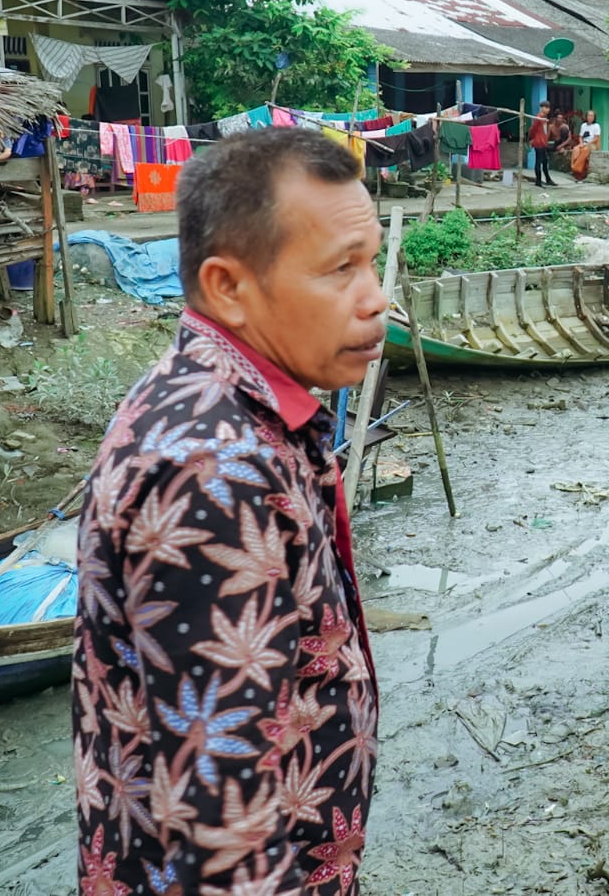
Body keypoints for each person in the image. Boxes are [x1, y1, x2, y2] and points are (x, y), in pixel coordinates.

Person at [73, 128, 388, 896]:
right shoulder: (210, 472)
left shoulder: (238, 407)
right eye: (340, 269)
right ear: (230, 288)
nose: (376, 295)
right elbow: (225, 825)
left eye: (371, 261)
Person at [528, 101, 555, 187]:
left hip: (543, 142)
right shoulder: (539, 118)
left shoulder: (544, 118)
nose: (548, 109)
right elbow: (532, 129)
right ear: (542, 108)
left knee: (545, 161)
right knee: (538, 162)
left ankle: (548, 179)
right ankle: (538, 181)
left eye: (548, 108)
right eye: (546, 107)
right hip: (539, 143)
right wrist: (531, 138)